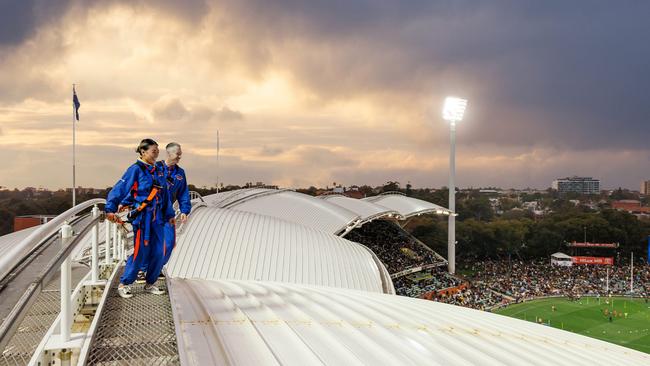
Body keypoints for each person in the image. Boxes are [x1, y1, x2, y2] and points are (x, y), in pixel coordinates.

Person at [105, 138, 175, 298]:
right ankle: (125, 283)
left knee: (158, 251)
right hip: (142, 218)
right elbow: (120, 188)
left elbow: (164, 194)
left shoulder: (158, 170)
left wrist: (169, 214)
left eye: (158, 150)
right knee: (139, 251)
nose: (156, 153)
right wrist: (110, 208)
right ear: (143, 152)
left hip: (157, 218)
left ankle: (151, 282)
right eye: (153, 150)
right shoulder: (135, 170)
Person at [156, 142, 191, 265]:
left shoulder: (180, 173)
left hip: (167, 213)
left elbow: (183, 193)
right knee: (149, 242)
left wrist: (184, 210)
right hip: (151, 211)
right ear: (169, 153)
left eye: (181, 154)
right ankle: (143, 269)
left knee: (169, 243)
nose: (179, 157)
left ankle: (157, 267)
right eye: (178, 154)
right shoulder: (155, 167)